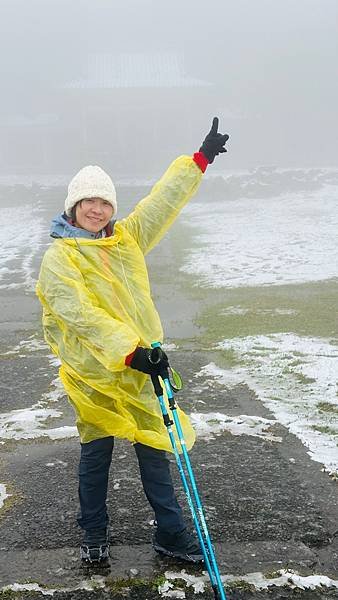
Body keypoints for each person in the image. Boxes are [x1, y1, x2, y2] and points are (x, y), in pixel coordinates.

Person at [36, 117, 229, 565]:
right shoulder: (60, 257)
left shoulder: (125, 240)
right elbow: (80, 315)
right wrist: (129, 350)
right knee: (96, 455)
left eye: (104, 203)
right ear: (73, 206)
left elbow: (161, 204)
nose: (97, 210)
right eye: (88, 202)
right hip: (95, 373)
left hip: (143, 366)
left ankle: (171, 533)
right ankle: (94, 536)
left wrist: (198, 161)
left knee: (156, 450)